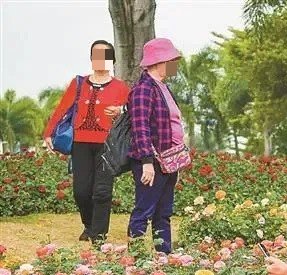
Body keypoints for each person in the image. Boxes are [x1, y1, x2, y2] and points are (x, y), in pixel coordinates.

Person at [43, 40, 129, 243]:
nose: (100, 59)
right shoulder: (79, 83)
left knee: (102, 190)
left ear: (112, 60)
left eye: (105, 55)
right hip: (80, 143)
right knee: (81, 191)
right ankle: (89, 225)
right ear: (91, 59)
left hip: (107, 145)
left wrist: (120, 111)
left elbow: (132, 111)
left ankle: (98, 235)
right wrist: (49, 133)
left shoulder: (120, 87)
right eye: (96, 55)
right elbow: (62, 108)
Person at [127, 38, 185, 254]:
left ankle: (164, 254)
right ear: (159, 61)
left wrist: (175, 164)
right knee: (144, 210)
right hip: (151, 161)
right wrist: (147, 162)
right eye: (171, 59)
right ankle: (135, 257)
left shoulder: (164, 88)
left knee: (163, 212)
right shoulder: (144, 89)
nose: (174, 64)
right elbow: (140, 128)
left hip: (168, 161)